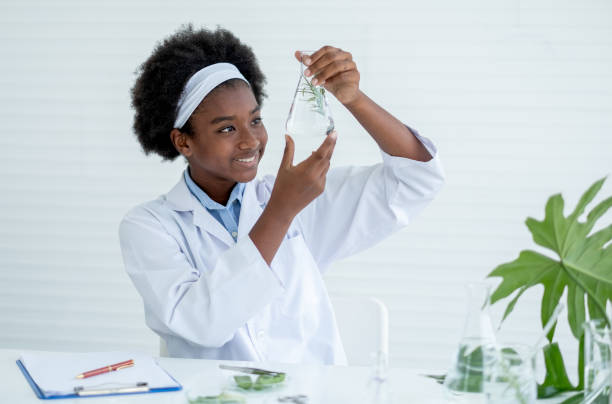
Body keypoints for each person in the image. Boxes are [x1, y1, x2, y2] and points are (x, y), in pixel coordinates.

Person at [119, 25, 444, 365]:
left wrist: (353, 99)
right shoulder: (149, 226)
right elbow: (202, 324)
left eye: (255, 120)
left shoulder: (296, 195)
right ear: (183, 141)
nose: (250, 140)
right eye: (227, 128)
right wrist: (281, 211)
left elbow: (417, 180)